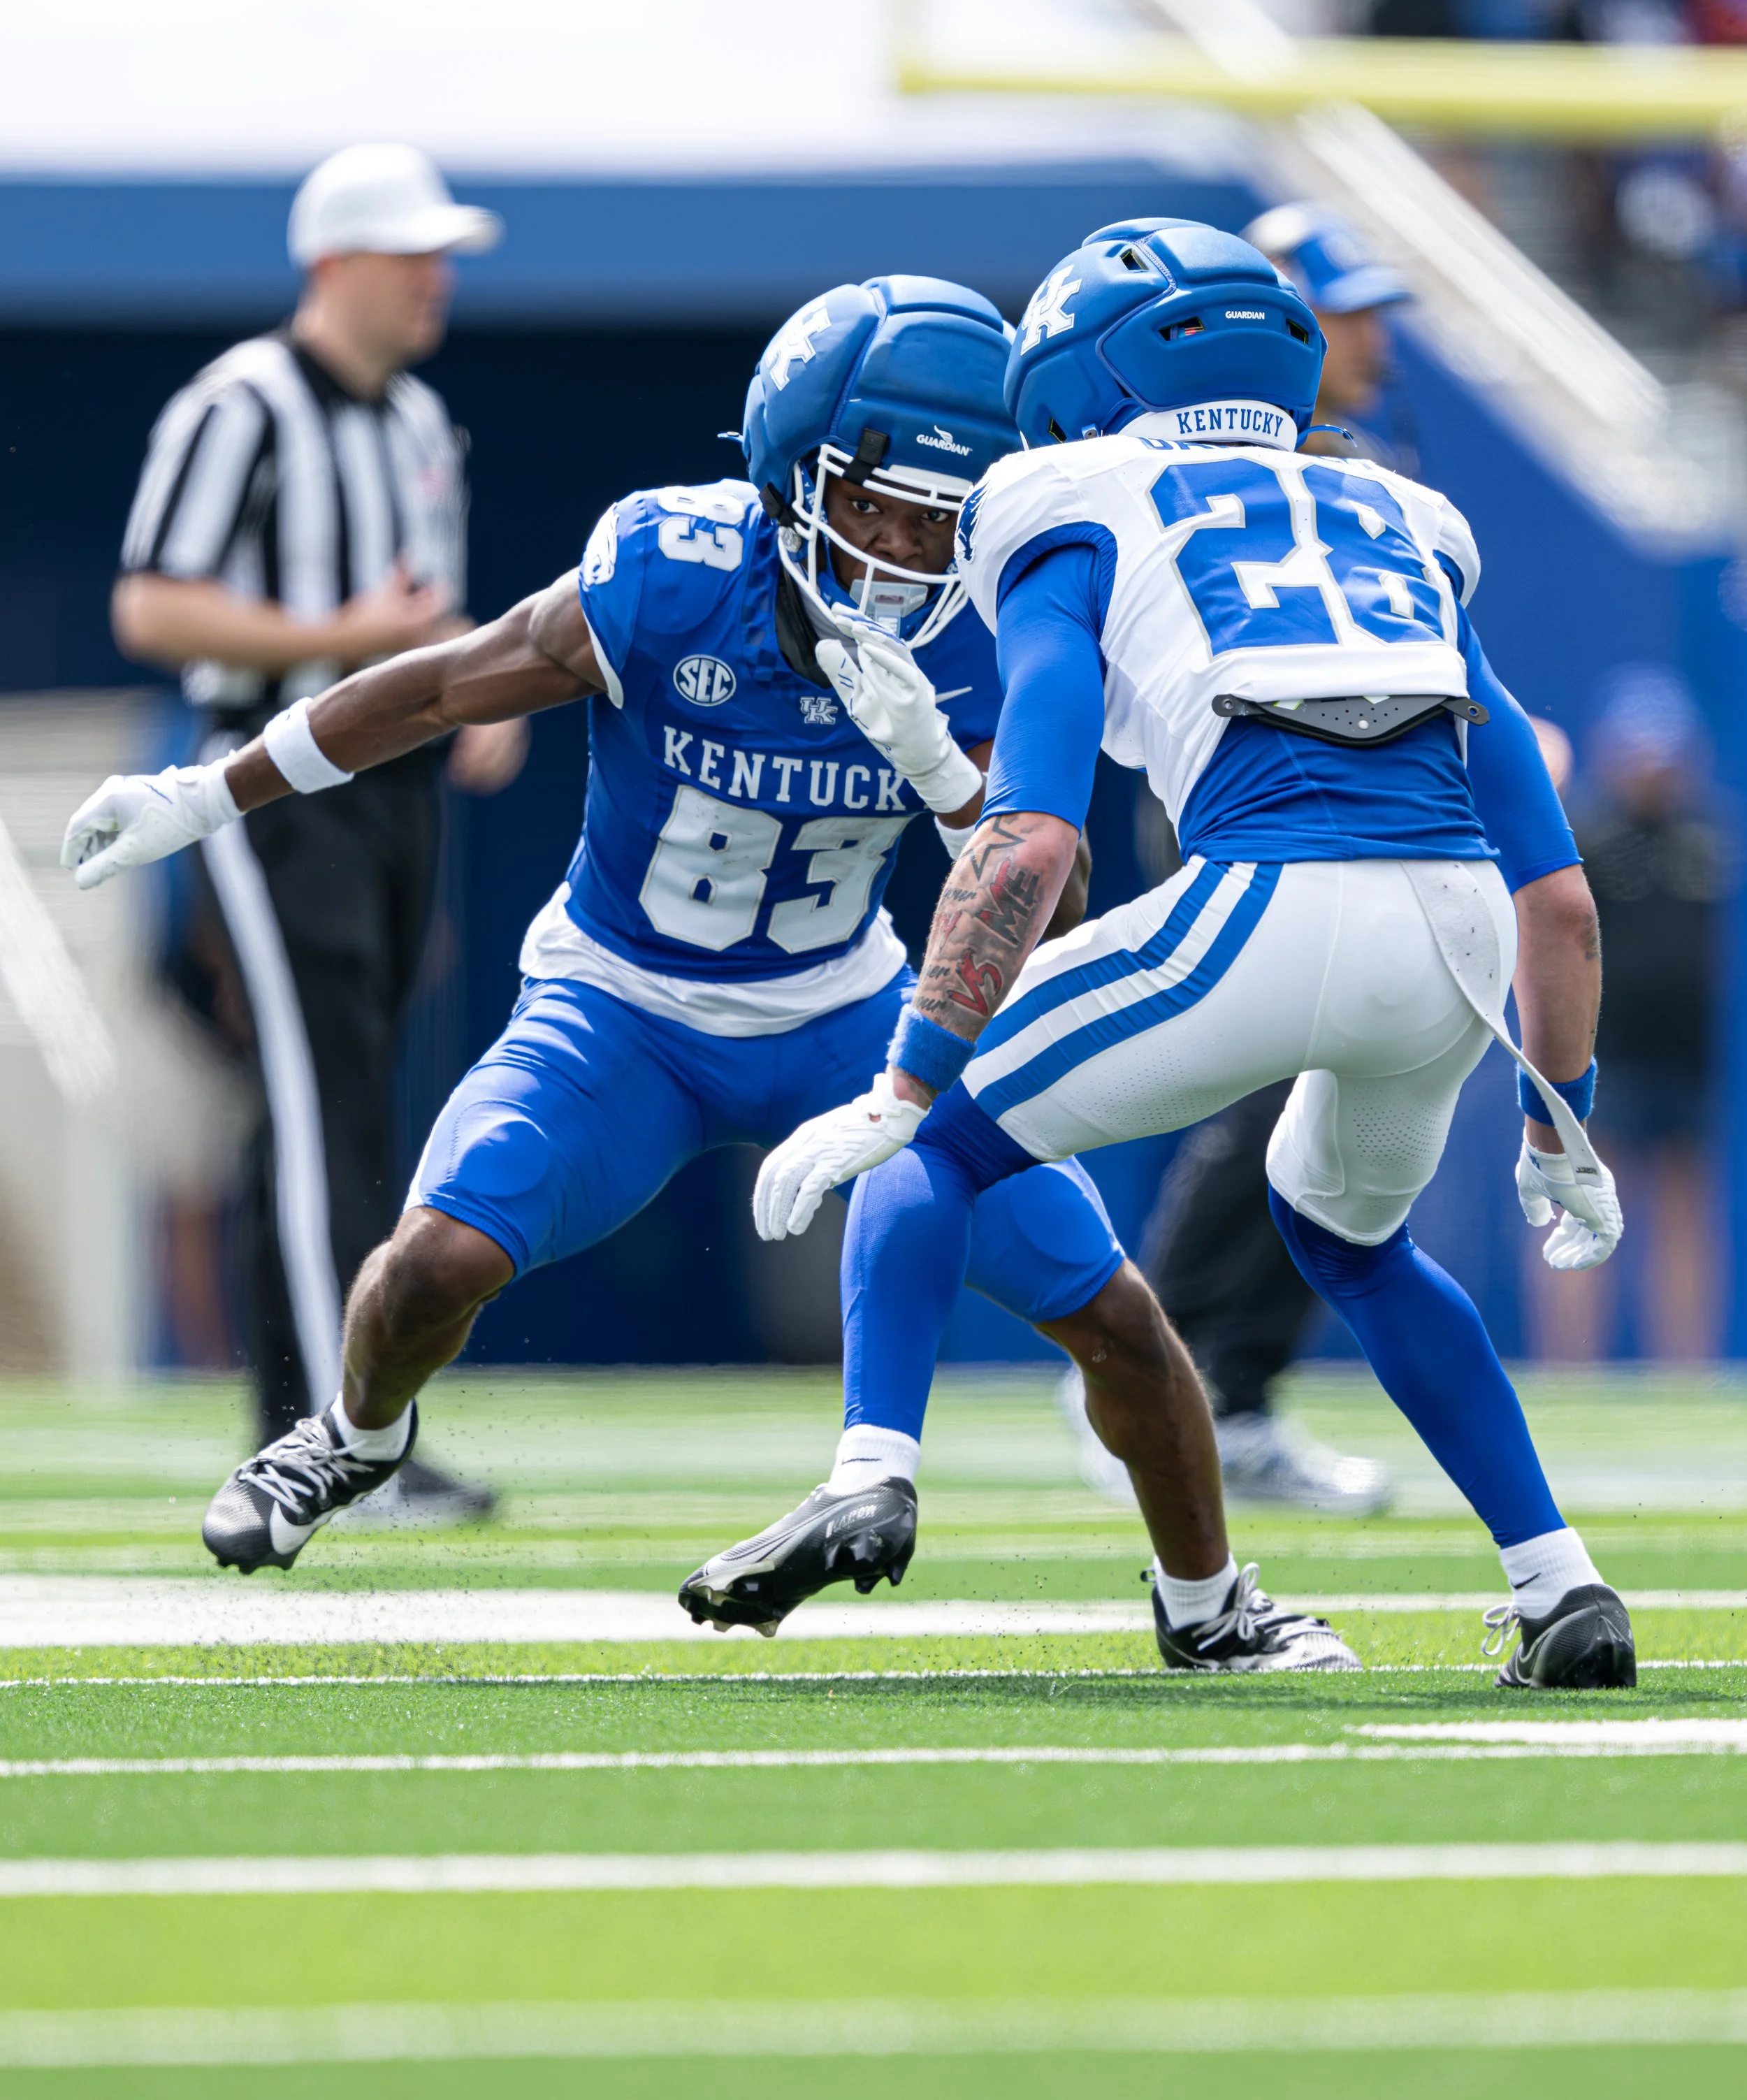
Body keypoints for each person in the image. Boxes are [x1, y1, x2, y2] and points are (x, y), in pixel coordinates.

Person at [65, 275, 1354, 1677]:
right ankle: (354, 1432)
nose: (909, 546)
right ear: (793, 465)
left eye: (942, 514)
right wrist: (211, 791)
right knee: (433, 1260)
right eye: (874, 504)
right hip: (621, 1006)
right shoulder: (672, 568)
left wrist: (937, 769)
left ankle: (1208, 1606)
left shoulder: (992, 623)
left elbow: (1047, 909)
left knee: (1113, 1316)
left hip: (846, 1016)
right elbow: (441, 684)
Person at [753, 218, 1637, 1692]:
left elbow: (1029, 839)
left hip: (1270, 899)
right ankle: (1558, 1581)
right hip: (1458, 936)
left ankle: (869, 1468)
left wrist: (902, 1078)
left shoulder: (1064, 497)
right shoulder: (1396, 517)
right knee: (1349, 1238)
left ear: (1077, 380)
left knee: (935, 1148)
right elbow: (1560, 899)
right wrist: (1559, 1116)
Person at [111, 142, 527, 1519]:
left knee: (351, 1099)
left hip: (392, 794)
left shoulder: (417, 420)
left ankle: (343, 1413)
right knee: (315, 1102)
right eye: (413, 256)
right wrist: (338, 640)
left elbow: (430, 614)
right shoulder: (239, 405)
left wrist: (480, 691)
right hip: (268, 788)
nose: (435, 283)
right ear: (333, 262)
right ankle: (325, 1432)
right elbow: (154, 607)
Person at [1061, 205, 1413, 1515]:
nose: (1372, 338)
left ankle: (1231, 1380)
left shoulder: (1360, 451)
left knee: (1321, 1081)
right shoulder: (1193, 455)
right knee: (1268, 1079)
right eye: (1350, 310)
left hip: (1340, 789)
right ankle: (1164, 1361)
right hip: (1236, 774)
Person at [1542, 663, 1734, 1361]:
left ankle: (1685, 1370)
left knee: (1684, 1207)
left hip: (1685, 1056)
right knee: (1581, 1205)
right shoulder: (1583, 838)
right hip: (1600, 1055)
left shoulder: (1707, 840)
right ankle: (1570, 1370)